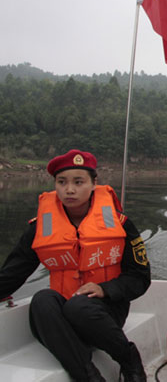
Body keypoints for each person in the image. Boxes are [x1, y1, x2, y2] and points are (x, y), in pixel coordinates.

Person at [0, 149, 151, 382]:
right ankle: (88, 377)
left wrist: (105, 289)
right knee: (42, 300)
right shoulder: (40, 227)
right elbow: (13, 273)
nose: (69, 190)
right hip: (64, 316)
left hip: (105, 313)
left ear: (94, 184)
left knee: (79, 307)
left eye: (78, 182)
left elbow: (140, 277)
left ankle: (130, 361)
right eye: (62, 182)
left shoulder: (121, 224)